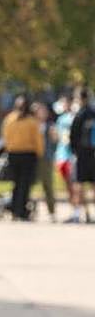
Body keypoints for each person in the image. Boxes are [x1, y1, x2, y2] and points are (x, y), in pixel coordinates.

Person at [1, 94, 43, 222]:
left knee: (16, 183)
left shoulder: (9, 119)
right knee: (25, 184)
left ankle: (14, 209)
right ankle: (21, 210)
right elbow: (38, 140)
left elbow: (5, 138)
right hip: (28, 155)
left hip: (13, 154)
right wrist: (39, 154)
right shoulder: (31, 122)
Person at [68, 87, 95, 223]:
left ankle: (82, 213)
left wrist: (74, 151)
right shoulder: (93, 113)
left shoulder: (79, 115)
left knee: (79, 184)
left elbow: (72, 136)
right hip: (93, 154)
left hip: (82, 155)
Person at [54, 94, 83, 223]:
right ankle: (75, 211)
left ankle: (78, 211)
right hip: (62, 155)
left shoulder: (76, 118)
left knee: (75, 185)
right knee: (69, 186)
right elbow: (57, 137)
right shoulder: (61, 119)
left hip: (73, 156)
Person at [33, 101, 58, 222]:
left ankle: (51, 211)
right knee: (29, 184)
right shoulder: (32, 124)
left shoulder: (49, 126)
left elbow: (55, 141)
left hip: (46, 158)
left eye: (44, 111)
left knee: (48, 185)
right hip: (33, 158)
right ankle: (28, 209)